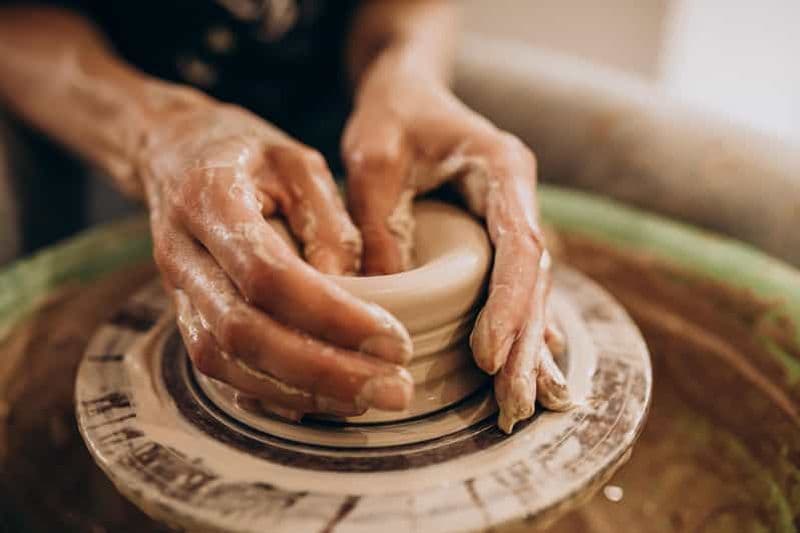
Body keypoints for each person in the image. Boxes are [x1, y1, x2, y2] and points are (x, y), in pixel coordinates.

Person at [0, 0, 570, 433]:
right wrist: (153, 130)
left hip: (348, 89)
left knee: (651, 166)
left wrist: (403, 67)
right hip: (97, 83)